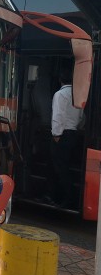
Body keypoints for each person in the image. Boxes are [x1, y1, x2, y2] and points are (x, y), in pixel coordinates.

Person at [50, 69, 85, 208]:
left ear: (60, 79)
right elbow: (83, 117)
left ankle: (65, 197)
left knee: (59, 166)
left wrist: (56, 135)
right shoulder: (78, 95)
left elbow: (58, 116)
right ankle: (63, 195)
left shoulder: (60, 95)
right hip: (74, 134)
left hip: (62, 135)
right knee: (66, 165)